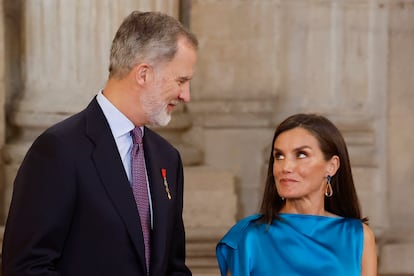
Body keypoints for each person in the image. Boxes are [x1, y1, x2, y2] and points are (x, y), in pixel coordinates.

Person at [2, 10, 197, 276]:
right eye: (181, 81)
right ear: (143, 74)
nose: (186, 95)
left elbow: (173, 267)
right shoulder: (58, 150)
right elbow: (25, 267)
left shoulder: (168, 158)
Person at [216, 113, 377, 276]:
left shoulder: (358, 237)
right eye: (279, 156)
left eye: (301, 154)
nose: (285, 167)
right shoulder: (247, 237)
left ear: (332, 166)